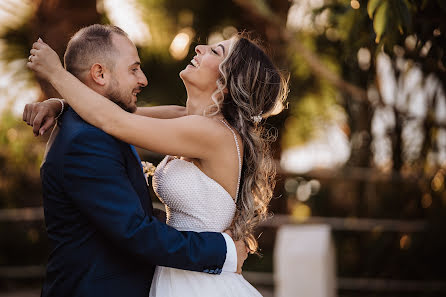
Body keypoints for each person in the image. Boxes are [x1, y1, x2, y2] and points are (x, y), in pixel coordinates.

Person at [26, 25, 288, 296]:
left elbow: (114, 120)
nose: (199, 47)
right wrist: (60, 104)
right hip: (175, 271)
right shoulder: (185, 120)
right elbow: (111, 109)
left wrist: (56, 74)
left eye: (215, 51)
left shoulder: (212, 133)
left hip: (198, 281)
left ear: (228, 79)